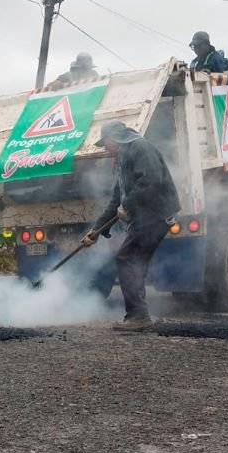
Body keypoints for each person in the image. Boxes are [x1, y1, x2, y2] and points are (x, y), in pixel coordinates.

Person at [81, 120, 180, 330]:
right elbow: (116, 200)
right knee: (135, 261)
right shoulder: (123, 159)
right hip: (145, 217)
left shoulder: (140, 147)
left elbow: (152, 180)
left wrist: (129, 204)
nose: (105, 149)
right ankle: (139, 315)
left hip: (156, 214)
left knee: (126, 258)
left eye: (105, 144)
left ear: (114, 139)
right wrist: (96, 231)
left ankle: (138, 316)